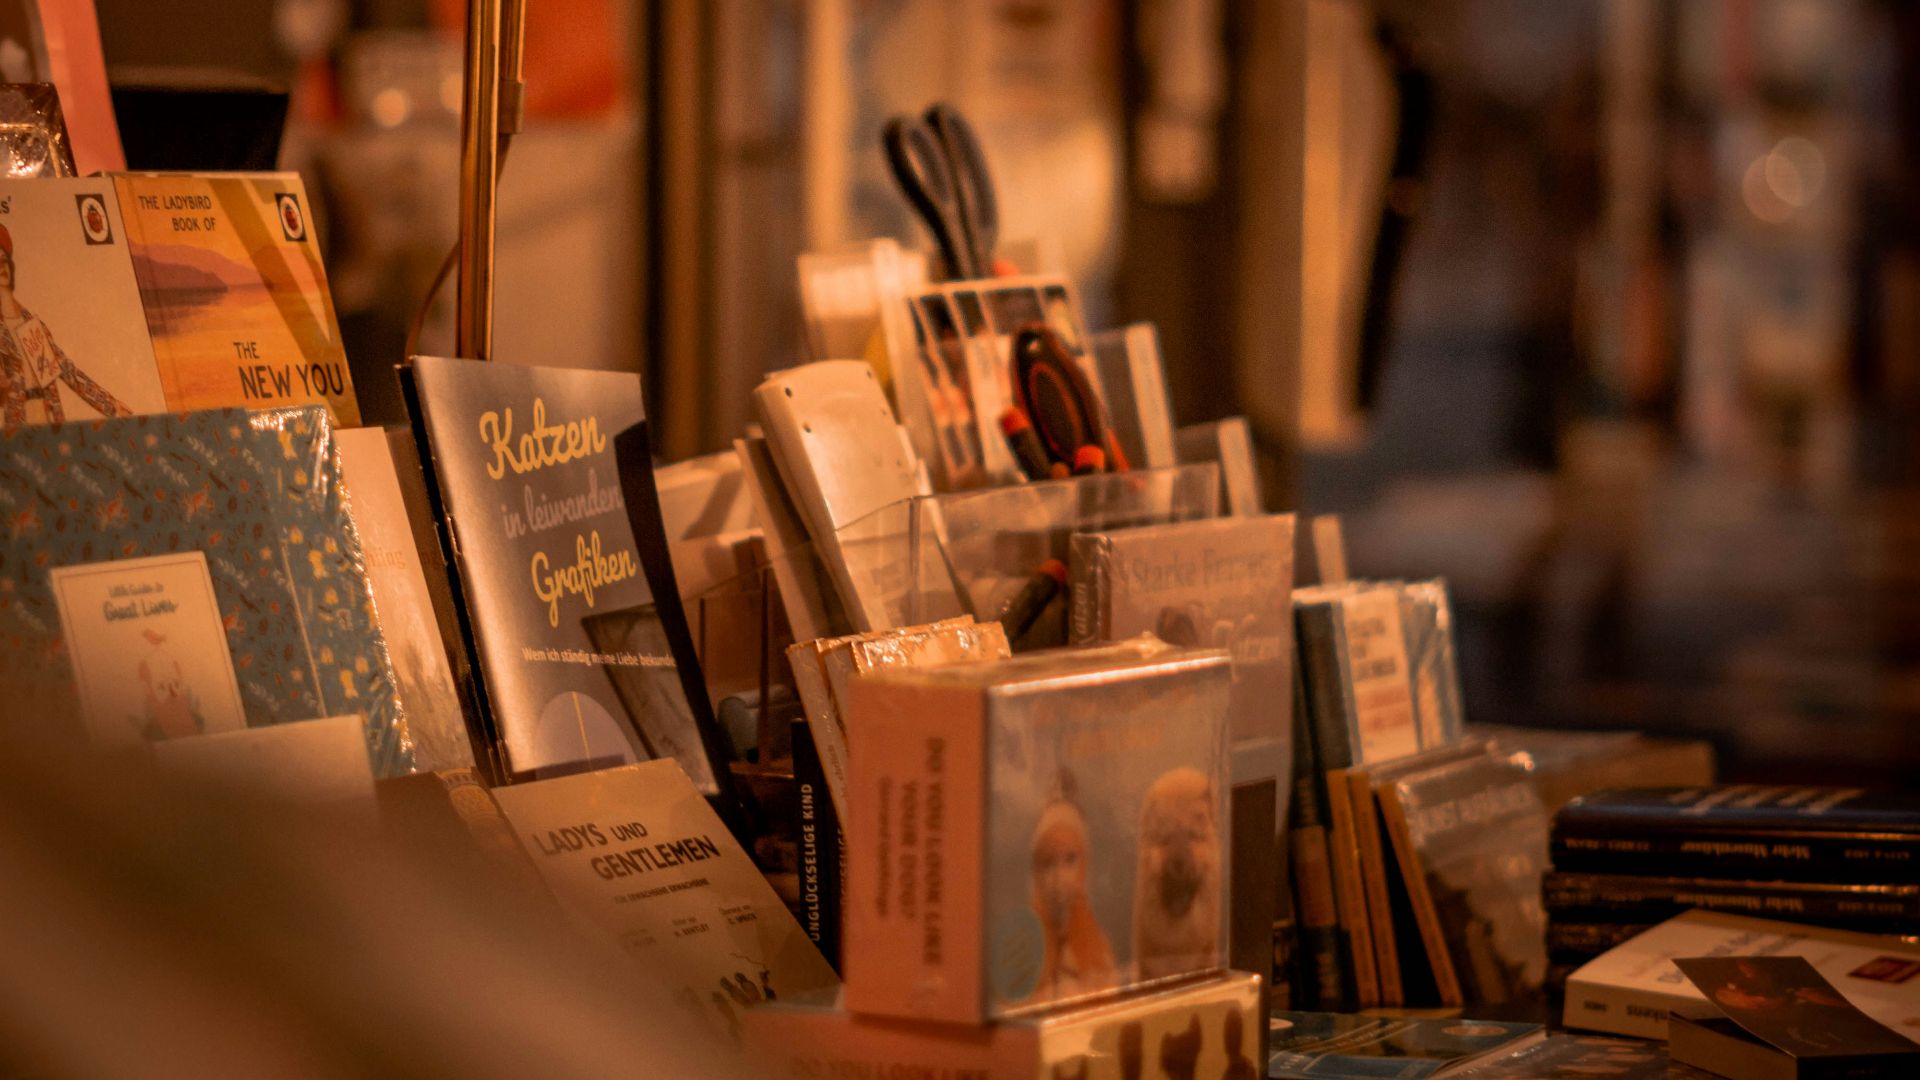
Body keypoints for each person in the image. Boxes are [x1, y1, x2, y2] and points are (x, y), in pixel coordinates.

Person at [0, 223, 129, 426]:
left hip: (49, 416)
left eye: (3, 259)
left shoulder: (30, 323)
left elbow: (66, 370)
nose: (1, 266)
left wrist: (110, 405)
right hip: (18, 423)